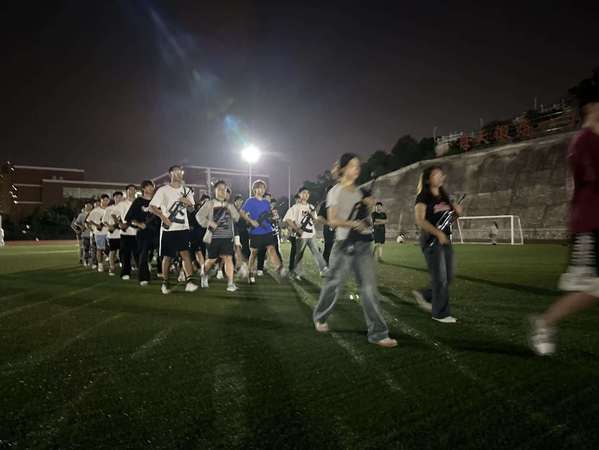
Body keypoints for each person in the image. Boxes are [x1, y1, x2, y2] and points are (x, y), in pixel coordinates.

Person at [529, 78, 599, 356]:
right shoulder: (583, 142)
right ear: (591, 108)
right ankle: (545, 323)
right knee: (591, 289)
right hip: (591, 225)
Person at [312, 153, 397, 348]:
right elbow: (333, 220)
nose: (357, 168)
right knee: (334, 285)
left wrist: (370, 206)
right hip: (344, 244)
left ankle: (378, 333)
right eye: (352, 165)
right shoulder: (335, 191)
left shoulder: (361, 192)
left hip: (364, 244)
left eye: (358, 165)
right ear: (342, 169)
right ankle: (320, 316)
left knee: (369, 288)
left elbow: (368, 215)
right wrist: (353, 224)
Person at [412, 166, 463, 323]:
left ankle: (425, 294)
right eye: (436, 174)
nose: (441, 177)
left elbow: (449, 220)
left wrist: (457, 213)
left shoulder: (444, 196)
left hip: (445, 239)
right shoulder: (423, 196)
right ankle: (441, 314)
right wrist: (437, 233)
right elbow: (420, 220)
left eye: (442, 174)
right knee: (440, 278)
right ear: (428, 179)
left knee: (448, 276)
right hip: (431, 241)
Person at [149, 165, 199, 294]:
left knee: (185, 254)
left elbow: (192, 209)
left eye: (180, 172)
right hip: (168, 229)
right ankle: (165, 282)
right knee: (168, 256)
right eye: (176, 172)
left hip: (183, 227)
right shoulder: (163, 190)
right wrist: (162, 217)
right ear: (170, 174)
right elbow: (151, 207)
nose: (179, 174)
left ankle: (189, 282)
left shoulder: (187, 190)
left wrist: (188, 203)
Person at [197, 180, 240, 292]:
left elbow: (237, 218)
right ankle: (204, 274)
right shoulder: (209, 204)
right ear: (215, 191)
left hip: (227, 237)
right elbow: (199, 216)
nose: (222, 191)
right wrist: (209, 223)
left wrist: (232, 210)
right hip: (213, 238)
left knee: (228, 258)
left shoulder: (230, 205)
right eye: (219, 189)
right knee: (212, 260)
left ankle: (230, 283)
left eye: (224, 189)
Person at [240, 179, 286, 284]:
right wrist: (251, 221)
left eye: (262, 188)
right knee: (254, 253)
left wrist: (274, 216)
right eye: (258, 188)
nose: (260, 190)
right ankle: (250, 273)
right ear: (254, 190)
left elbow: (269, 216)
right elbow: (241, 212)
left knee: (271, 248)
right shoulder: (250, 201)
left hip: (267, 231)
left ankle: (279, 269)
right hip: (255, 232)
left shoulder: (266, 202)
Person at [284, 186, 328, 280]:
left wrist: (312, 217)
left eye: (307, 193)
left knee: (316, 252)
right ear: (299, 194)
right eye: (304, 193)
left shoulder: (311, 207)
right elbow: (287, 219)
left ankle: (323, 269)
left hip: (311, 234)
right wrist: (296, 229)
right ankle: (295, 272)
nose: (306, 195)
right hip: (301, 235)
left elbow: (315, 221)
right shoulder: (295, 207)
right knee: (299, 254)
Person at [126, 180, 161, 286]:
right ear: (143, 189)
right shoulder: (138, 201)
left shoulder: (158, 201)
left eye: (152, 186)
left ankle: (162, 272)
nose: (151, 188)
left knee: (162, 253)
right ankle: (143, 278)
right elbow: (129, 218)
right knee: (143, 255)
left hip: (157, 232)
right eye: (148, 186)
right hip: (143, 233)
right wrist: (139, 224)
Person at [257, 194, 283, 275]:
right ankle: (260, 268)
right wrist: (271, 219)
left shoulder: (273, 209)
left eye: (269, 198)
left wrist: (277, 219)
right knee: (262, 251)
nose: (268, 200)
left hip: (273, 233)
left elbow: (278, 223)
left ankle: (280, 267)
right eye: (266, 198)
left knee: (276, 250)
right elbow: (261, 220)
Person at [117, 184, 139, 281]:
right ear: (126, 191)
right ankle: (125, 273)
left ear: (136, 191)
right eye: (129, 190)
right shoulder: (121, 204)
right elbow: (114, 214)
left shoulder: (139, 203)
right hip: (125, 233)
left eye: (133, 190)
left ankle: (142, 273)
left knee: (139, 254)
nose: (131, 191)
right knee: (126, 255)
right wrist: (120, 224)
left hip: (138, 232)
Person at [86, 194, 111, 272]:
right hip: (99, 233)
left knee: (112, 248)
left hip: (109, 232)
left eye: (107, 200)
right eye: (104, 200)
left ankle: (111, 262)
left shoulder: (110, 209)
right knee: (99, 249)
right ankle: (100, 265)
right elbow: (88, 220)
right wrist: (96, 225)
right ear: (101, 200)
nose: (106, 202)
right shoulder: (95, 210)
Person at [103, 191, 123, 276]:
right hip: (113, 234)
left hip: (123, 233)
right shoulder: (109, 208)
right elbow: (104, 220)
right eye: (117, 197)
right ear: (114, 198)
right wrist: (109, 227)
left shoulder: (124, 207)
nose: (119, 199)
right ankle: (112, 267)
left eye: (120, 197)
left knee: (122, 251)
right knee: (112, 251)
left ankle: (124, 266)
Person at [316, 186, 335, 265]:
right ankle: (325, 265)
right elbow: (319, 217)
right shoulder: (324, 204)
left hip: (341, 229)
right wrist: (329, 223)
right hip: (329, 230)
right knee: (328, 248)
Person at [287, 194, 301, 273]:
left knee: (298, 251)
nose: (299, 200)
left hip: (300, 232)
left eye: (300, 199)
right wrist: (292, 228)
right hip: (294, 232)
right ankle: (291, 267)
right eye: (297, 199)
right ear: (295, 200)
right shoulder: (292, 209)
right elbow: (289, 220)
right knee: (294, 250)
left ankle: (296, 267)